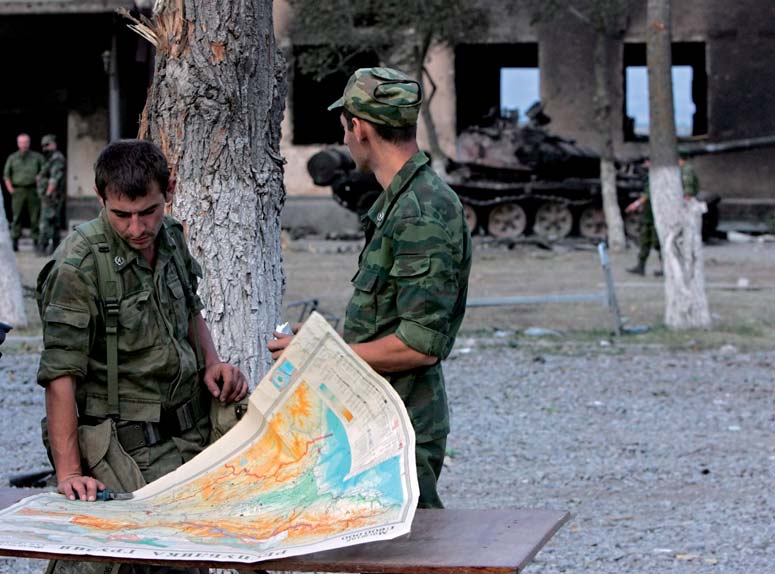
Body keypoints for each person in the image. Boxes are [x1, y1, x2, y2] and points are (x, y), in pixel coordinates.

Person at [37, 139, 248, 574]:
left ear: (168, 190)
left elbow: (189, 308)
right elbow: (60, 375)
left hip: (193, 435)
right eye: (122, 215)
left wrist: (212, 361)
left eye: (148, 211)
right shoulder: (78, 266)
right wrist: (69, 473)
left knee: (196, 556)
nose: (137, 228)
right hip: (131, 450)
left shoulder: (171, 237)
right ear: (101, 198)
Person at [268, 67, 472, 509]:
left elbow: (419, 345)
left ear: (359, 128)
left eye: (345, 127)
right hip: (377, 414)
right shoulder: (400, 200)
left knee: (410, 544)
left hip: (401, 421)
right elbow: (389, 320)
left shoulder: (420, 212)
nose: (344, 139)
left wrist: (320, 355)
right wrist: (322, 341)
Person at [626, 155, 700, 276]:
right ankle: (641, 265)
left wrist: (636, 204)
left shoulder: (666, 174)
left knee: (659, 242)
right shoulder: (652, 175)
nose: (645, 165)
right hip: (650, 213)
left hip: (659, 213)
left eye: (648, 162)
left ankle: (667, 268)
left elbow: (650, 193)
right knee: (645, 240)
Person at [3, 133, 44, 251]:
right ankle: (15, 241)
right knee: (17, 217)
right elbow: (6, 175)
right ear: (18, 144)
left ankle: (36, 240)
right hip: (18, 190)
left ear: (29, 143)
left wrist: (40, 179)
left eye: (26, 142)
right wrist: (10, 189)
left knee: (35, 216)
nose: (24, 145)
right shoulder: (12, 158)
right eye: (21, 142)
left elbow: (45, 170)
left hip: (33, 190)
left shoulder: (37, 157)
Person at [37, 134, 67, 255]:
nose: (45, 148)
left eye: (47, 145)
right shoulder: (49, 158)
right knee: (53, 221)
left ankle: (43, 246)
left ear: (53, 145)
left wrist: (48, 193)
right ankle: (54, 247)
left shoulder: (56, 159)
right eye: (43, 145)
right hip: (50, 195)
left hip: (52, 196)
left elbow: (54, 178)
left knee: (46, 221)